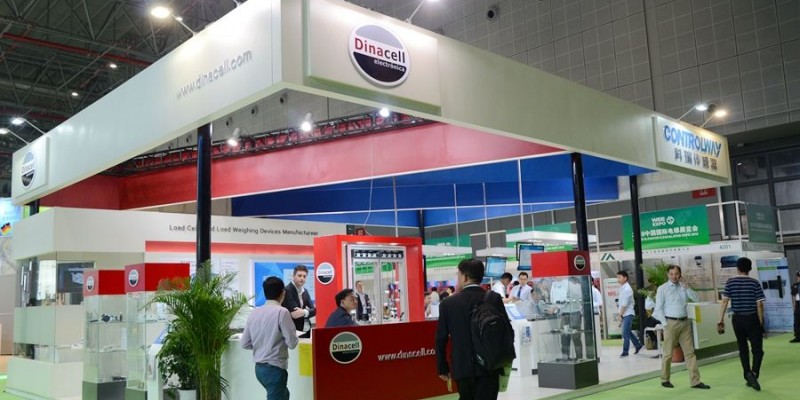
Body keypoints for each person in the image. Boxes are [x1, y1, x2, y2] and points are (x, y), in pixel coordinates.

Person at [436, 258, 500, 399]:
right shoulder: (493, 299)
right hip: (490, 365)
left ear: (465, 277)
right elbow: (505, 332)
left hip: (462, 366)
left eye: (458, 275)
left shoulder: (448, 304)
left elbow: (441, 338)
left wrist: (442, 365)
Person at [242, 276, 299, 400]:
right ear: (283, 293)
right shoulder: (282, 312)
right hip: (275, 368)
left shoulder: (255, 312)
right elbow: (292, 343)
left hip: (259, 369)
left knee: (285, 395)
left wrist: (263, 346)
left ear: (265, 292)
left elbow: (245, 343)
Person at [653, 265, 710, 389]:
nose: (674, 276)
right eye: (671, 274)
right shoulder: (662, 288)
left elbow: (696, 298)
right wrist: (665, 324)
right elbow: (658, 308)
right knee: (668, 353)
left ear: (680, 274)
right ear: (668, 274)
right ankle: (665, 379)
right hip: (670, 323)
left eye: (676, 274)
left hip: (684, 323)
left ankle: (695, 381)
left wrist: (687, 288)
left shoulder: (684, 287)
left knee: (690, 353)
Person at [718, 257, 765, 391]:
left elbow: (725, 301)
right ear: (750, 269)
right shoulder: (755, 283)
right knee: (757, 350)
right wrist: (760, 322)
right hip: (752, 318)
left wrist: (720, 320)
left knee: (743, 348)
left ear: (737, 268)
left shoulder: (730, 282)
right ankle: (754, 373)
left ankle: (747, 374)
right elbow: (760, 304)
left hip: (737, 319)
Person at [281, 265, 316, 338]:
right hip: (292, 330)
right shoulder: (287, 290)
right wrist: (307, 312)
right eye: (299, 276)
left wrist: (303, 312)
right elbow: (295, 312)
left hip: (306, 328)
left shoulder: (305, 291)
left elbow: (314, 310)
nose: (302, 278)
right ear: (293, 276)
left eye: (304, 276)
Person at [616, 271, 642, 357]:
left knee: (625, 333)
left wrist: (620, 315)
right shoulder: (622, 287)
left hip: (628, 313)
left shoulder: (627, 289)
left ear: (625, 278)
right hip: (624, 313)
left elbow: (624, 304)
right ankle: (638, 345)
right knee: (627, 331)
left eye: (619, 277)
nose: (618, 279)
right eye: (617, 277)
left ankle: (625, 351)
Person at [791, 271, 800, 343]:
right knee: (796, 322)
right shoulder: (795, 285)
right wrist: (794, 306)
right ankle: (797, 337)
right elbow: (794, 296)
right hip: (798, 305)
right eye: (798, 276)